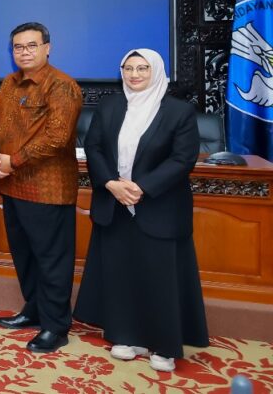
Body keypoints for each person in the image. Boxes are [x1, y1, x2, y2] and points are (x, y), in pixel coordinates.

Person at [74, 49, 208, 372]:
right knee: (120, 273)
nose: (134, 74)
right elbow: (93, 147)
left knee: (160, 278)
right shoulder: (110, 106)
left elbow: (183, 158)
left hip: (159, 207)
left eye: (142, 68)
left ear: (156, 71)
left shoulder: (178, 111)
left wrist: (141, 188)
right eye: (129, 68)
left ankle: (164, 345)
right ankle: (124, 335)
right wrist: (111, 184)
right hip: (115, 205)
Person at [0, 22, 82, 353]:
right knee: (24, 255)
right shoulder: (9, 83)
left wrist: (14, 160)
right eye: (18, 47)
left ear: (47, 48)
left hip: (47, 188)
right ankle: (34, 310)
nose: (24, 52)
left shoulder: (62, 85)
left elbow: (57, 137)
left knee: (51, 259)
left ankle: (56, 326)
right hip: (11, 185)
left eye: (31, 46)